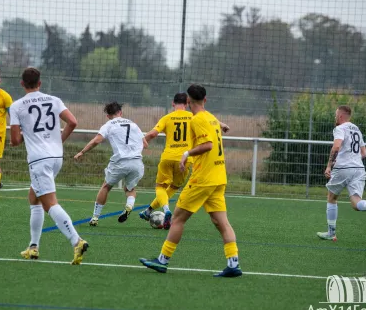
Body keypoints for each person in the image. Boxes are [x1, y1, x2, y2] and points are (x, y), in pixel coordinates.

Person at [139, 84, 242, 278]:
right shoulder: (211, 118)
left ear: (188, 101)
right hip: (219, 176)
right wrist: (222, 125)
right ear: (206, 99)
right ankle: (233, 263)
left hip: (203, 178)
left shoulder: (198, 120)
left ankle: (162, 261)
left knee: (178, 218)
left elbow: (208, 145)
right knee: (221, 222)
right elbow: (213, 130)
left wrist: (186, 153)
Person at [10, 67, 88, 264]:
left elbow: (15, 141)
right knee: (33, 197)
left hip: (38, 159)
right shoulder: (54, 100)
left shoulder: (17, 105)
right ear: (40, 83)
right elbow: (72, 122)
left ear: (22, 84)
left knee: (50, 203)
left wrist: (22, 133)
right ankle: (33, 247)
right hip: (56, 157)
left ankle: (76, 240)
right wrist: (57, 141)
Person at [140, 92, 230, 230]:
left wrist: (143, 140)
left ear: (173, 103)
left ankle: (165, 210)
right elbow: (210, 120)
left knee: (160, 187)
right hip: (185, 159)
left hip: (168, 157)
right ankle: (149, 210)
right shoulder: (193, 116)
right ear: (187, 103)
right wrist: (222, 125)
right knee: (174, 187)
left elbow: (152, 134)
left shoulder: (167, 118)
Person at [74, 102, 146, 226]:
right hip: (136, 162)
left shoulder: (109, 124)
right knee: (130, 189)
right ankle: (129, 206)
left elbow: (97, 140)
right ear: (121, 113)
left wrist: (82, 151)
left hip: (120, 162)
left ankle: (95, 218)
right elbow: (145, 143)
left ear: (108, 116)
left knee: (106, 187)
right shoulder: (133, 124)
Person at [317, 105, 366, 241]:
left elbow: (336, 146)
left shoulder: (340, 128)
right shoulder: (357, 130)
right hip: (359, 168)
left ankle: (331, 233)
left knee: (332, 198)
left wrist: (329, 166)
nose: (335, 117)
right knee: (356, 203)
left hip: (343, 168)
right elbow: (364, 153)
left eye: (336, 115)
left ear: (341, 116)